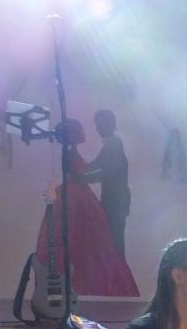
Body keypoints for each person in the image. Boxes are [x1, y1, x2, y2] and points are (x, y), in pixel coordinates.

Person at [35, 118, 138, 298]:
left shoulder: (110, 146)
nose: (92, 130)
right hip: (76, 198)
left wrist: (82, 178)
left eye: (98, 125)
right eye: (80, 130)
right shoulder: (73, 153)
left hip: (79, 197)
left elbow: (95, 171)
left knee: (90, 244)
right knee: (89, 244)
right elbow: (90, 172)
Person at [84, 109, 131, 261]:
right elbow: (97, 164)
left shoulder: (114, 145)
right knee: (112, 244)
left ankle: (118, 273)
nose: (96, 129)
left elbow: (106, 172)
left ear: (105, 125)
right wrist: (81, 171)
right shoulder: (112, 145)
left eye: (98, 124)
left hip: (115, 203)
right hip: (115, 202)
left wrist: (82, 178)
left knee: (113, 245)